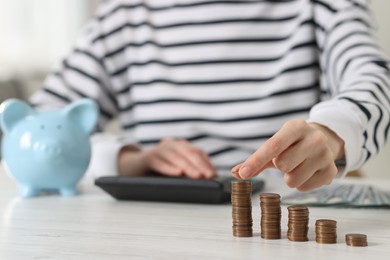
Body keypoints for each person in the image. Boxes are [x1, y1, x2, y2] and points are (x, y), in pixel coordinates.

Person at [30, 0, 390, 192]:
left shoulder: (322, 5)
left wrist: (330, 134)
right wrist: (126, 159)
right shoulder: (125, 15)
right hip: (151, 232)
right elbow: (34, 126)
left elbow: (374, 80)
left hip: (285, 224)